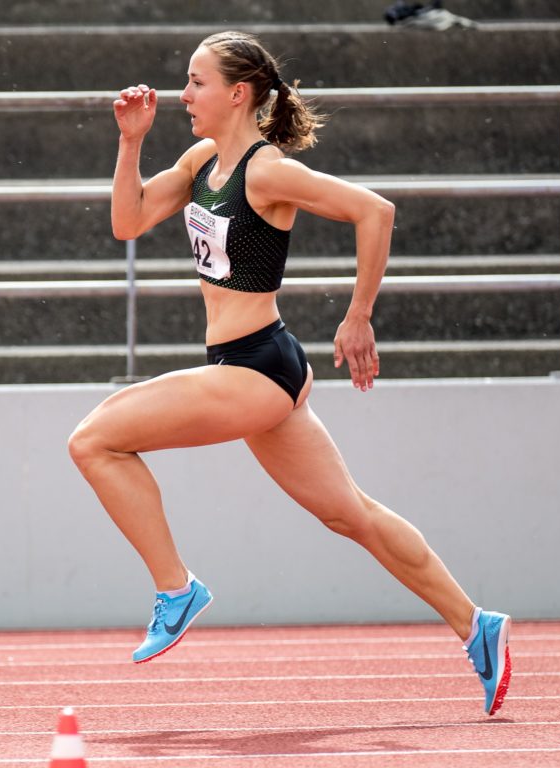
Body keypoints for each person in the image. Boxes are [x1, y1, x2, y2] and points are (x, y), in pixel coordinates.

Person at [67, 30, 510, 716]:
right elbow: (128, 222)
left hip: (257, 368)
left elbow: (375, 210)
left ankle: (176, 589)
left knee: (94, 441)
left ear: (237, 93)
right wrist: (130, 142)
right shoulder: (200, 159)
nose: (183, 95)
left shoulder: (265, 171)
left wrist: (358, 315)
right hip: (255, 367)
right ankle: (475, 624)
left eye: (196, 82)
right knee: (351, 515)